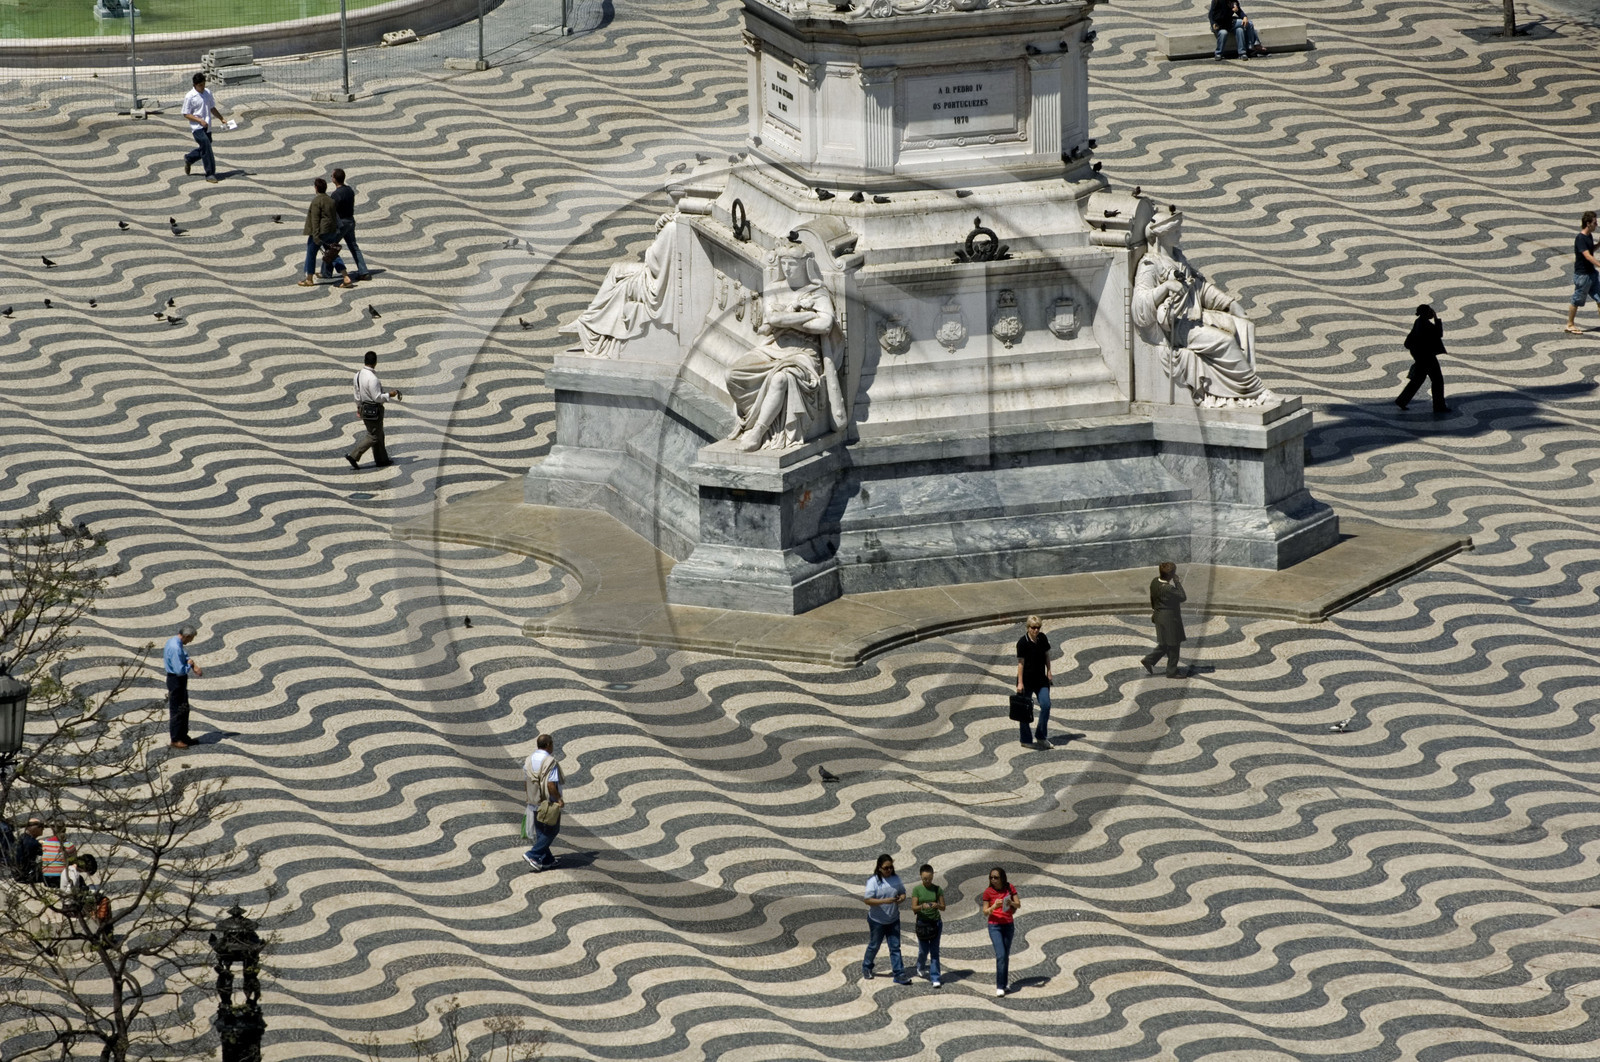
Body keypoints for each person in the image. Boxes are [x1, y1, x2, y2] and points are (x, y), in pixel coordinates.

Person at [1133, 209, 1276, 407]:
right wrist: (1164, 288)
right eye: (1175, 232)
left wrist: (1229, 304)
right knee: (1225, 341)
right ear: (1163, 235)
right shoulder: (1150, 265)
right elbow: (1139, 304)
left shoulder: (1178, 257)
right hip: (1176, 327)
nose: (1180, 235)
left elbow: (1200, 288)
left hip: (1194, 316)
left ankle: (1236, 390)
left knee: (1241, 326)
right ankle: (1254, 390)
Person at [726, 250, 848, 451]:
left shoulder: (817, 292)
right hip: (774, 346)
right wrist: (807, 315)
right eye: (784, 263)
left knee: (781, 379)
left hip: (804, 352)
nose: (787, 268)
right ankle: (754, 416)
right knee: (732, 374)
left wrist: (786, 318)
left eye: (792, 263)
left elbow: (825, 324)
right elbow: (773, 319)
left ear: (805, 264)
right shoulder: (774, 288)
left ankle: (758, 431)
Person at [574, 212, 678, 357]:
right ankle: (589, 317)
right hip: (660, 276)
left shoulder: (673, 227)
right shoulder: (676, 222)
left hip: (655, 283)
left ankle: (589, 322)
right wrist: (660, 228)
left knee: (620, 281)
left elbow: (653, 259)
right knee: (616, 268)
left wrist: (661, 230)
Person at [860, 853, 911, 984]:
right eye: (886, 868)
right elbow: (867, 900)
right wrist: (884, 901)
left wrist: (901, 899)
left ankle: (899, 974)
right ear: (879, 868)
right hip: (877, 921)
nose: (889, 870)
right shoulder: (873, 882)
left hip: (893, 920)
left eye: (891, 867)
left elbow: (903, 892)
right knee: (874, 945)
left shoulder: (896, 879)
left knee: (895, 947)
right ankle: (867, 967)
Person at [346, 351, 400, 469]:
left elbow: (357, 394)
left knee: (379, 434)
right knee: (374, 436)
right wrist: (389, 395)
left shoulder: (358, 375)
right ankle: (354, 455)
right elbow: (377, 397)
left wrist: (359, 407)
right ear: (375, 362)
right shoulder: (373, 378)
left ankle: (382, 460)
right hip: (374, 411)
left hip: (364, 408)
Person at [1396, 304, 1449, 414]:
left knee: (1418, 379)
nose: (1431, 313)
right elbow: (1439, 333)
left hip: (1421, 356)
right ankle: (1439, 406)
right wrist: (1436, 319)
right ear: (1426, 313)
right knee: (1437, 380)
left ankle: (1402, 401)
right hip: (1427, 356)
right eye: (1430, 311)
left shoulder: (1419, 321)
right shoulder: (1425, 324)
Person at [523, 734, 564, 871]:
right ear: (547, 745)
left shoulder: (528, 760)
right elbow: (551, 784)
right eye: (552, 744)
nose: (553, 746)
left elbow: (526, 781)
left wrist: (529, 797)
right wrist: (558, 799)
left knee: (540, 830)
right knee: (553, 830)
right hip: (548, 803)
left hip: (533, 799)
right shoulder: (550, 762)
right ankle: (533, 855)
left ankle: (548, 859)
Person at [321, 169, 367, 285]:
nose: (331, 177)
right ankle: (363, 271)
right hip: (350, 221)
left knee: (330, 246)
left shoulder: (336, 194)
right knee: (353, 246)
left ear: (334, 179)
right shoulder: (349, 190)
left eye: (331, 176)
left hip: (341, 223)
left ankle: (326, 273)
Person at [1141, 562, 1187, 679]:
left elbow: (1152, 599)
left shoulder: (1154, 581)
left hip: (1159, 615)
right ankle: (1172, 671)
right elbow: (1182, 597)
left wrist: (1154, 611)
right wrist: (1177, 582)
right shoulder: (1168, 588)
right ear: (1171, 575)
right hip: (1170, 619)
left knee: (1165, 643)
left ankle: (1149, 660)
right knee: (1174, 645)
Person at [981, 866, 1021, 996]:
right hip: (995, 926)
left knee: (1005, 955)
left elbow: (1018, 904)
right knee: (1001, 955)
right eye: (991, 877)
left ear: (1002, 878)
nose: (993, 880)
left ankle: (1004, 983)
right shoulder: (988, 892)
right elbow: (985, 912)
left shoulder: (1010, 887)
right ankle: (999, 986)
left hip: (1008, 925)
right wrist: (994, 906)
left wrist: (1010, 903)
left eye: (996, 877)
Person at [1015, 616, 1053, 750]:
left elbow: (1047, 656)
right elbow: (1021, 664)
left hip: (1041, 680)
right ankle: (1025, 739)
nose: (1036, 630)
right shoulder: (1022, 643)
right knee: (1024, 710)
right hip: (1026, 681)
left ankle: (1041, 736)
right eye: (1033, 628)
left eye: (1038, 627)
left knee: (1046, 705)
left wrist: (1049, 671)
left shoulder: (1042, 638)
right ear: (1028, 628)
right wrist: (1020, 683)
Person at [180, 72, 227, 183]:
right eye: (200, 85)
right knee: (206, 145)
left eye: (204, 84)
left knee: (205, 147)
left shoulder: (208, 93)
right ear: (194, 85)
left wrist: (221, 118)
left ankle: (189, 158)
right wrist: (199, 120)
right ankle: (210, 174)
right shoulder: (190, 96)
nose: (202, 87)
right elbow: (186, 114)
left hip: (207, 126)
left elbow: (212, 108)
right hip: (197, 128)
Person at [164, 625, 203, 748]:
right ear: (186, 636)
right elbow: (179, 670)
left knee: (184, 708)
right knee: (177, 710)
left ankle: (183, 736)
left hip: (178, 680)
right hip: (176, 680)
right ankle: (176, 739)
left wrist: (192, 663)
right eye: (190, 638)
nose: (190, 641)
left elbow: (184, 655)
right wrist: (189, 665)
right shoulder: (175, 647)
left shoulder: (175, 642)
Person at [299, 177, 342, 288]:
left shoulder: (316, 201)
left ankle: (309, 279)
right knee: (333, 254)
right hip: (331, 231)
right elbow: (334, 217)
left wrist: (315, 236)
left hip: (320, 233)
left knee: (311, 254)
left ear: (316, 188)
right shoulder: (330, 200)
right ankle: (346, 276)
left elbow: (315, 220)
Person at [910, 863, 945, 988]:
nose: (927, 881)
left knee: (935, 951)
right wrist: (922, 906)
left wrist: (937, 905)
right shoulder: (917, 890)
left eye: (929, 879)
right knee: (923, 950)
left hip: (935, 923)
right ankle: (920, 966)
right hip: (922, 923)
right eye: (925, 879)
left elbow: (943, 907)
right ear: (920, 876)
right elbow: (914, 908)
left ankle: (935, 977)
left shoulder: (937, 889)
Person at [1566, 211, 1598, 336]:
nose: (1596, 225)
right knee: (1577, 300)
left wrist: (1599, 244)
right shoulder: (1580, 238)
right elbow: (1587, 256)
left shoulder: (1589, 236)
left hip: (1592, 273)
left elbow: (1590, 250)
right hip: (1583, 275)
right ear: (1588, 223)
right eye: (1595, 223)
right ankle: (1570, 324)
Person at [12, 818, 45, 884]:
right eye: (41, 827)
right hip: (27, 876)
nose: (43, 829)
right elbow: (45, 852)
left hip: (16, 874)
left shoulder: (22, 837)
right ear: (35, 830)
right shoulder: (33, 843)